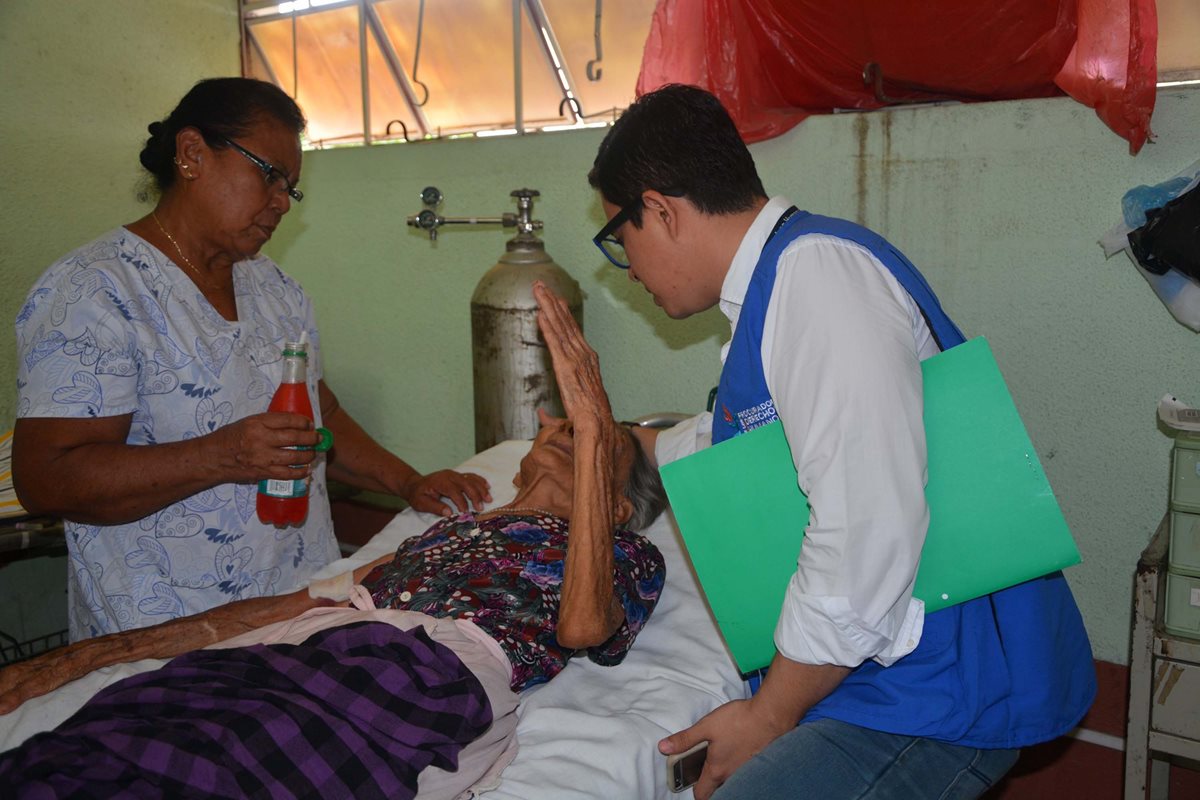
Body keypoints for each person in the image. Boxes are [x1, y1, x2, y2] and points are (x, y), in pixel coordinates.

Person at [584, 84, 1096, 799]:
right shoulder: (780, 289)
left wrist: (769, 715)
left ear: (661, 211)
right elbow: (773, 441)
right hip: (874, 678)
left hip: (929, 695)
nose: (628, 270)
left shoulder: (817, 280)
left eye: (619, 239)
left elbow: (866, 528)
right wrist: (630, 439)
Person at [0, 287, 667, 798]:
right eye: (563, 426)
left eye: (587, 439)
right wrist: (81, 660)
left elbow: (583, 627)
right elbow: (285, 607)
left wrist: (592, 416)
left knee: (225, 764)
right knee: (110, 733)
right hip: (306, 646)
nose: (562, 426)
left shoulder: (626, 555)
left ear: (614, 503)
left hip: (414, 674)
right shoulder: (448, 534)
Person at [12, 77, 490, 642]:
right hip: (164, 636)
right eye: (269, 174)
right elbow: (46, 479)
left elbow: (319, 414)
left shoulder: (275, 290)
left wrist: (407, 482)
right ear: (191, 155)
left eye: (291, 187)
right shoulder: (94, 292)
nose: (283, 201)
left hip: (298, 609)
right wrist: (222, 455)